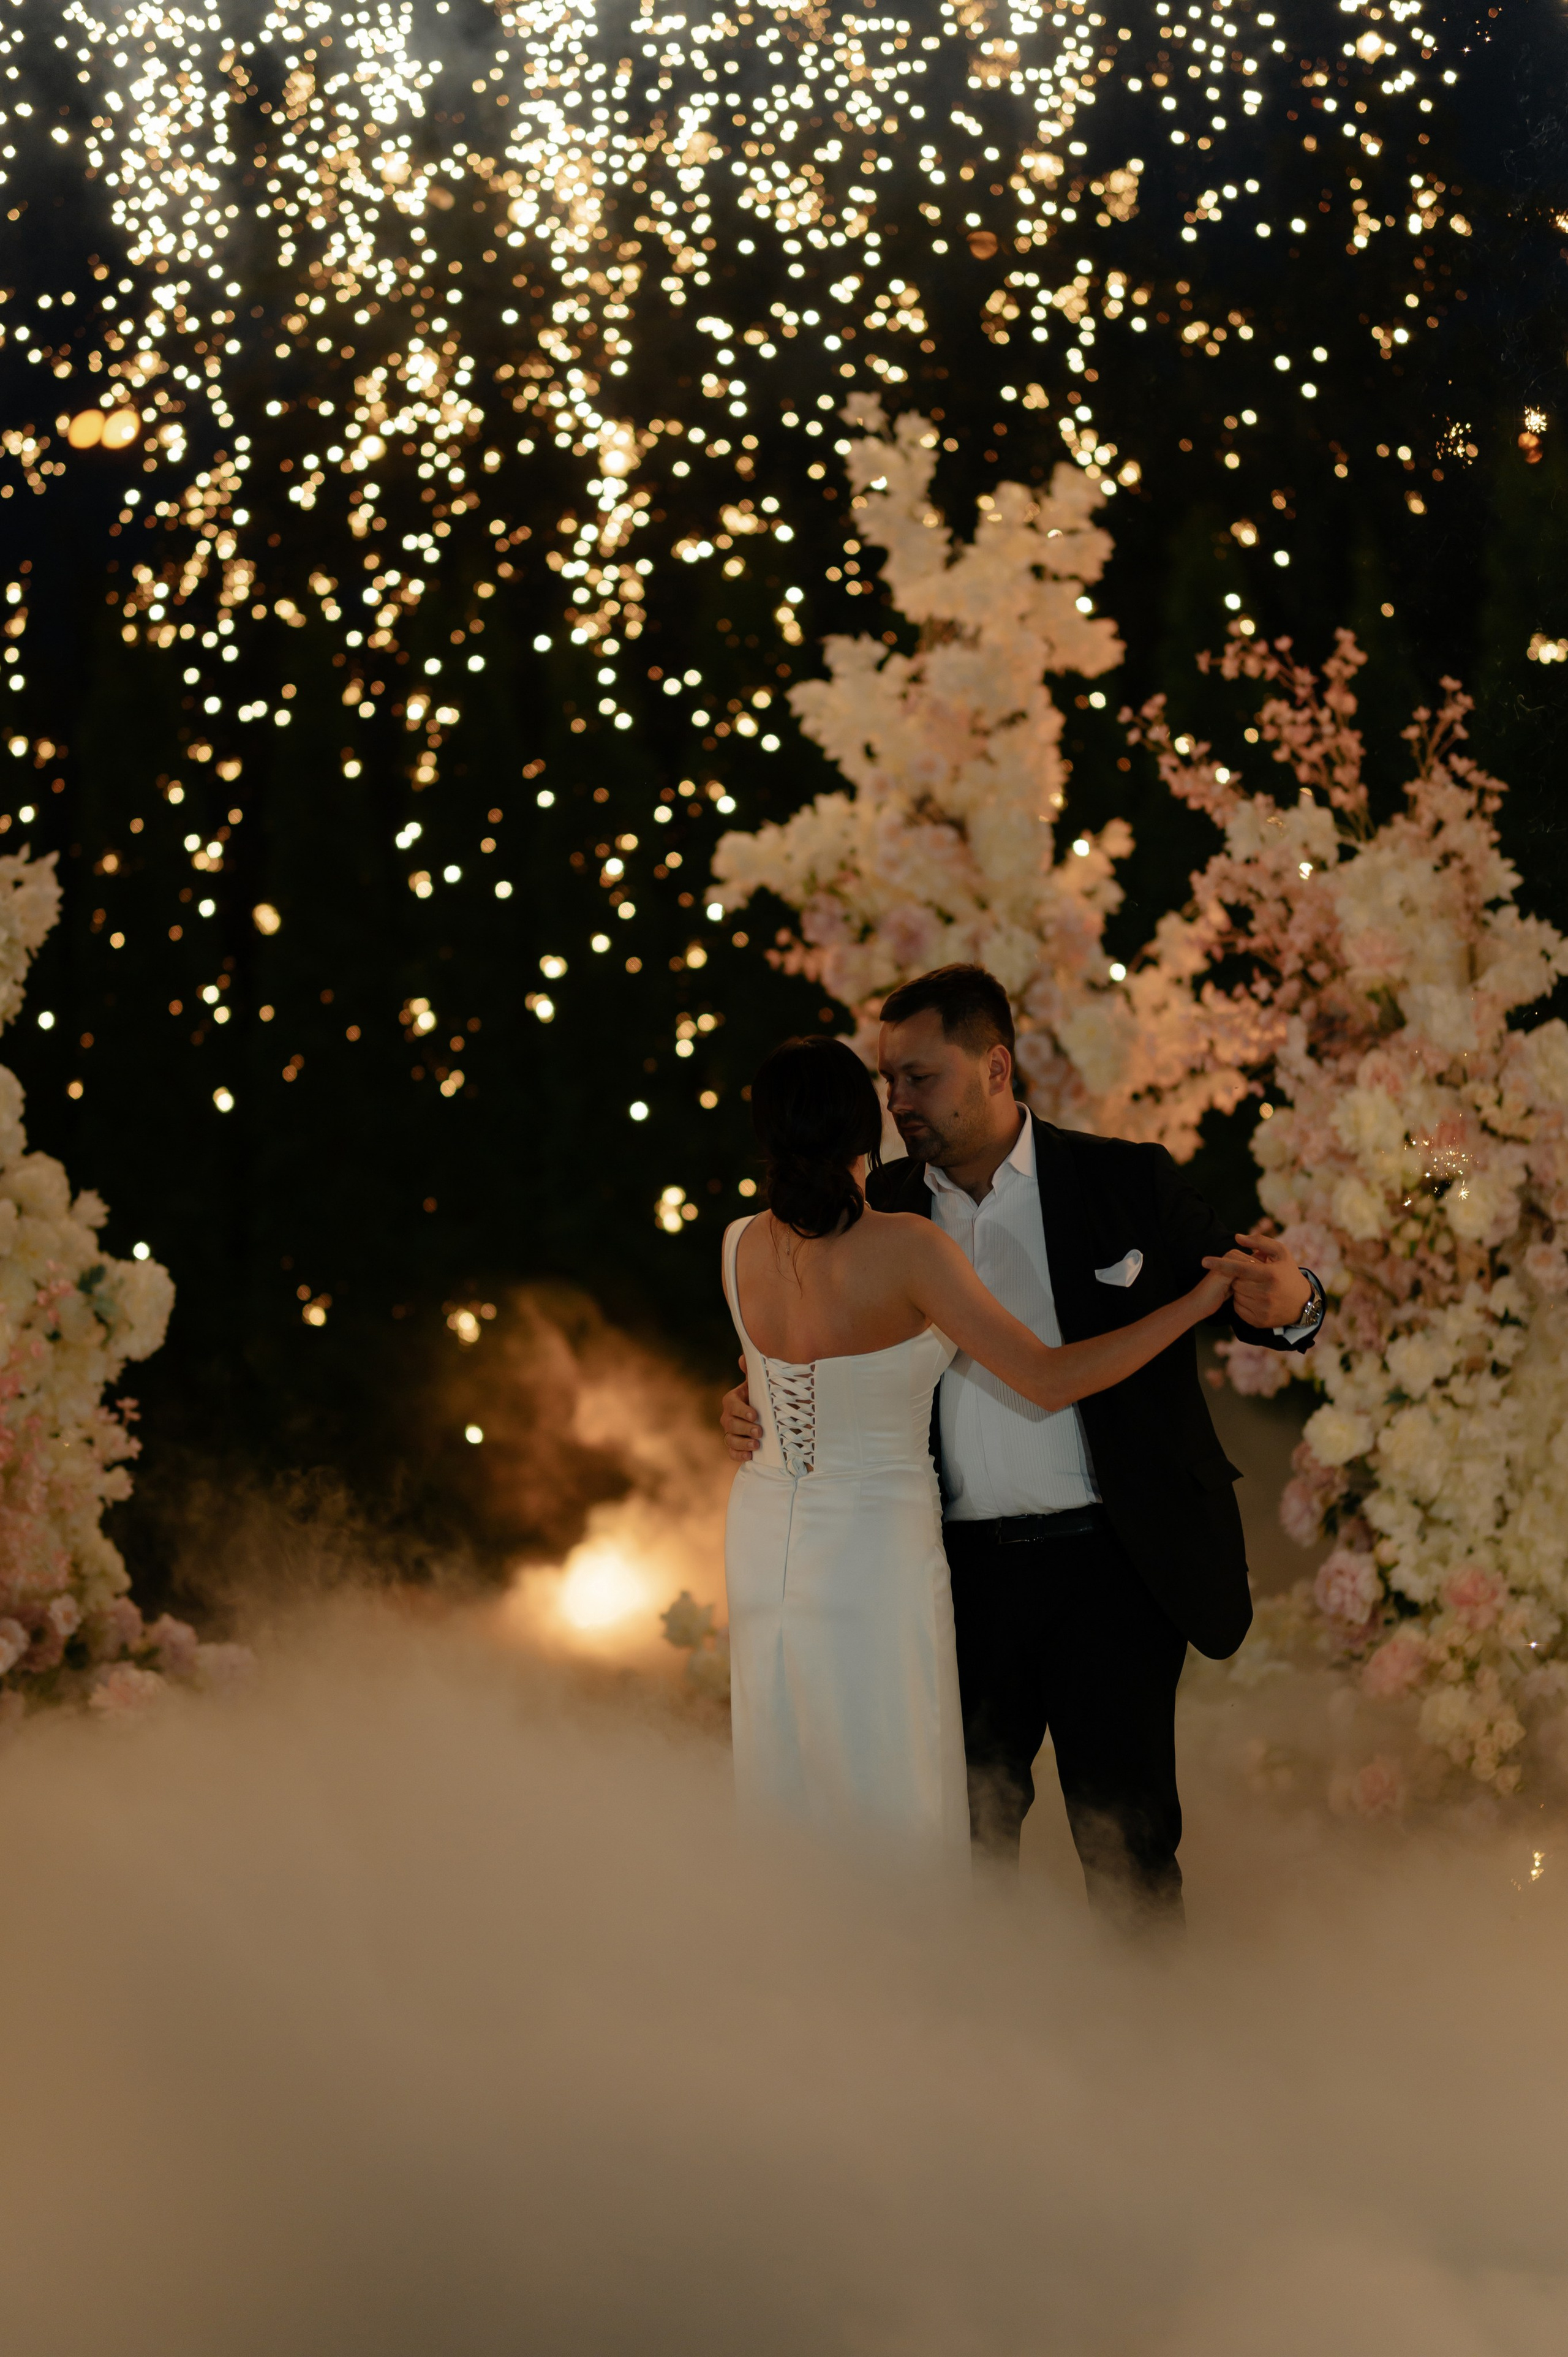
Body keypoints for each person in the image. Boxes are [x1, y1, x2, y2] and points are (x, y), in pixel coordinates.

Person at [722, 967, 1324, 1924]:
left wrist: (1296, 1305)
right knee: (961, 1846)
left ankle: (1149, 2059)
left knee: (1125, 1849)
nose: (898, 1102)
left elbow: (1261, 1290)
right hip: (948, 1576)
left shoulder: (1124, 1180)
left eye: (918, 1078)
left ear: (995, 1066)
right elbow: (813, 1345)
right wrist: (742, 1406)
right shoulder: (874, 1206)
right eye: (888, 1082)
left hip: (1110, 1568)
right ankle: (992, 2061)